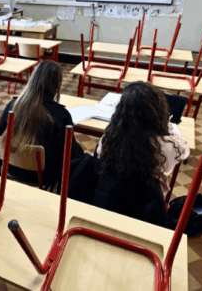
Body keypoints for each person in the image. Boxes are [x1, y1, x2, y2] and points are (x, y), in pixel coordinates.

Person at [69, 82, 190, 228]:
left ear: (120, 112)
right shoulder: (168, 146)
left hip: (106, 202)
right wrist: (165, 127)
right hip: (143, 211)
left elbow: (98, 157)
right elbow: (185, 150)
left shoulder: (108, 138)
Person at [0, 60, 83, 187]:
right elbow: (70, 154)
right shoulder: (62, 115)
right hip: (42, 177)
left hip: (9, 168)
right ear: (57, 86)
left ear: (32, 79)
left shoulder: (13, 105)